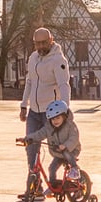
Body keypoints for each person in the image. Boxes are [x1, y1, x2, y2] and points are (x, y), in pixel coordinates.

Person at [20, 27, 70, 183]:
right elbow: (29, 82)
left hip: (52, 113)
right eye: (37, 44)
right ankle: (35, 183)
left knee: (57, 148)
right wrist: (23, 105)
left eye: (43, 43)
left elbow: (64, 85)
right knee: (31, 146)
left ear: (51, 40)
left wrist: (65, 109)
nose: (40, 47)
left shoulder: (58, 60)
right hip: (34, 112)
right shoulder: (33, 58)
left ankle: (70, 173)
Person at [34, 98, 83, 202]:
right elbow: (40, 134)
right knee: (52, 168)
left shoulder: (71, 125)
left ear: (64, 116)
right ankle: (54, 185)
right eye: (52, 119)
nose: (55, 121)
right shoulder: (49, 127)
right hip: (58, 153)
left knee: (66, 153)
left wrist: (65, 145)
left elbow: (74, 138)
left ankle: (75, 169)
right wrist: (28, 138)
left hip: (72, 150)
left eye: (58, 118)